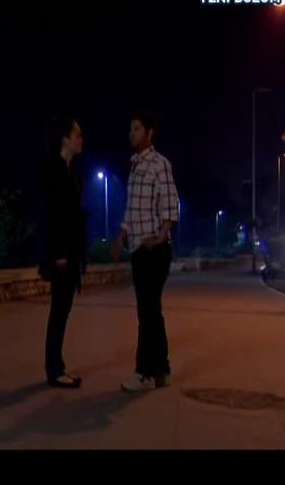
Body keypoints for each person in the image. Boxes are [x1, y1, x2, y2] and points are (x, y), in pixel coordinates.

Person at [111, 111, 179, 391]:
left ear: (149, 133)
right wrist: (120, 236)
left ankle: (143, 372)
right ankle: (161, 369)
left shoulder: (159, 164)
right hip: (138, 248)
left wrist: (161, 235)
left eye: (137, 129)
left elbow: (170, 202)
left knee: (148, 309)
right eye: (130, 129)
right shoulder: (135, 167)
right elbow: (131, 209)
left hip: (155, 249)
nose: (132, 134)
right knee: (150, 310)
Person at [38, 115, 86, 389]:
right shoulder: (53, 170)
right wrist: (58, 253)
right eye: (77, 134)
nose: (81, 139)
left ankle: (56, 366)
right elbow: (51, 215)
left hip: (70, 252)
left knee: (62, 310)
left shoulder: (71, 172)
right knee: (59, 310)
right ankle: (55, 370)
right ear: (65, 138)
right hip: (60, 255)